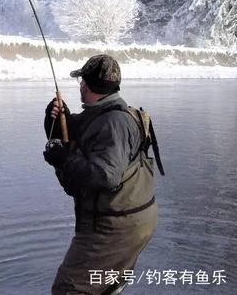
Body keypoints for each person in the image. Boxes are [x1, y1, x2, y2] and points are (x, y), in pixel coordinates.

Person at [43, 54, 158, 295]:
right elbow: (81, 133)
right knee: (104, 289)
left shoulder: (113, 123)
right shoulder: (106, 112)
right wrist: (56, 120)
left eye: (82, 81)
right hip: (131, 219)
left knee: (69, 288)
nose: (80, 86)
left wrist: (64, 158)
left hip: (116, 226)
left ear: (88, 85)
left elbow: (105, 176)